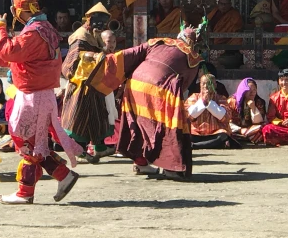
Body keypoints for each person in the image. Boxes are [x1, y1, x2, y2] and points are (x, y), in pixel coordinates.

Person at [0, 0, 83, 204]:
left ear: (16, 10)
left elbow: (12, 51)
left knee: (24, 140)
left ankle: (26, 191)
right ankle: (63, 175)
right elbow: (26, 58)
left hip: (32, 95)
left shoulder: (33, 32)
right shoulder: (45, 28)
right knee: (34, 142)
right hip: (42, 94)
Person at [87, 24, 203, 178]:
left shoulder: (159, 42)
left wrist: (105, 62)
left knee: (137, 124)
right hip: (159, 89)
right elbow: (185, 85)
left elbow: (132, 54)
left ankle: (141, 163)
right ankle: (172, 168)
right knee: (168, 127)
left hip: (134, 83)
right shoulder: (192, 56)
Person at [61, 3, 114, 163]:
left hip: (94, 82)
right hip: (80, 84)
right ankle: (78, 149)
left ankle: (100, 147)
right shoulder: (80, 36)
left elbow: (99, 51)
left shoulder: (94, 34)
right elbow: (74, 59)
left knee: (98, 114)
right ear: (90, 20)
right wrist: (92, 56)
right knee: (79, 117)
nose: (100, 27)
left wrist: (102, 53)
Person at [185, 73, 234, 149]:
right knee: (187, 135)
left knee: (223, 135)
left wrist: (210, 104)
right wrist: (203, 102)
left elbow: (224, 117)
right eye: (203, 84)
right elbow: (189, 116)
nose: (206, 86)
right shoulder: (194, 97)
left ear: (215, 85)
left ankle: (195, 146)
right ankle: (209, 144)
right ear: (200, 85)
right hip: (196, 132)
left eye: (209, 83)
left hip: (215, 132)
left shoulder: (221, 98)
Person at [229, 78, 267, 145]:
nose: (252, 93)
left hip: (250, 130)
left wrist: (253, 108)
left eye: (254, 90)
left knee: (264, 127)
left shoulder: (259, 102)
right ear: (243, 90)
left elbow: (259, 122)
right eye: (249, 90)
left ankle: (245, 137)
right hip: (236, 129)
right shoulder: (232, 102)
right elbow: (227, 121)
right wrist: (239, 129)